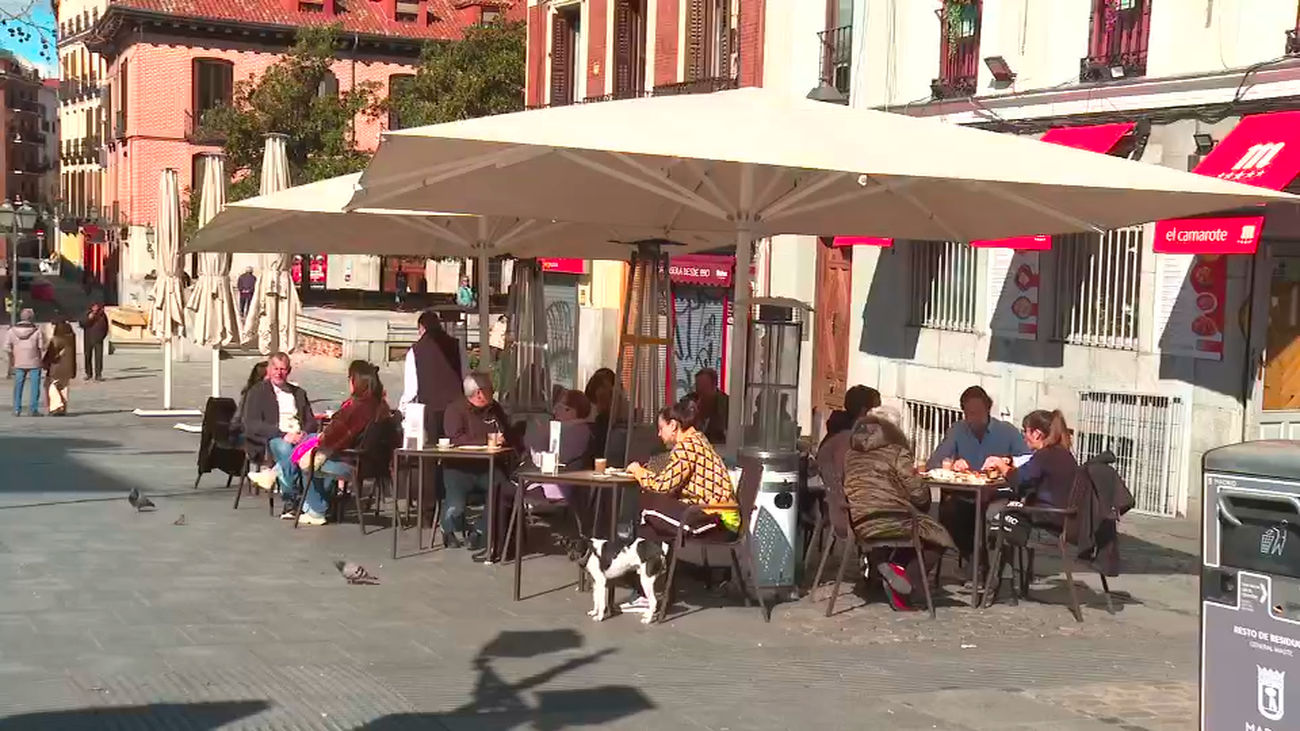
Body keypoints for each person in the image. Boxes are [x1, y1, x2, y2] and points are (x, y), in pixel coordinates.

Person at [622, 399, 737, 613]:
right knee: (650, 521)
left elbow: (663, 485)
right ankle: (651, 590)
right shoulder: (696, 439)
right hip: (710, 512)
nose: (659, 434)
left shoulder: (687, 447)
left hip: (715, 519)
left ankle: (649, 590)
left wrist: (638, 471)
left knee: (648, 509)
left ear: (673, 425)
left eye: (661, 428)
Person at [842, 406, 955, 610]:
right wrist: (923, 500)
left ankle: (890, 571)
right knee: (939, 536)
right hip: (892, 519)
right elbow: (918, 493)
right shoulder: (897, 453)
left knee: (916, 525)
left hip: (860, 522)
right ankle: (907, 581)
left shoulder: (850, 456)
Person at [289, 362, 391, 526]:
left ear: (356, 381)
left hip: (353, 463)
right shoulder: (379, 405)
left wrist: (321, 437)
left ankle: (316, 509)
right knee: (312, 445)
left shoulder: (358, 408)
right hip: (371, 462)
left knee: (307, 459)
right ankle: (320, 505)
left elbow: (332, 437)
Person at [240, 352, 319, 518]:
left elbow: (311, 421)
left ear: (288, 371)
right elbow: (252, 424)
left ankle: (313, 499)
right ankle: (292, 499)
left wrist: (304, 433)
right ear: (269, 370)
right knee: (285, 449)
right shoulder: (257, 392)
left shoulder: (298, 393)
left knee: (318, 445)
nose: (279, 373)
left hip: (299, 436)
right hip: (273, 438)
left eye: (283, 369)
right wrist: (283, 434)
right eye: (275, 368)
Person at [441, 372, 514, 550]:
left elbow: (506, 429)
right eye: (490, 389)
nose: (493, 392)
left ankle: (480, 530)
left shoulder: (494, 409)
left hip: (488, 467)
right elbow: (456, 438)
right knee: (456, 507)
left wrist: (506, 438)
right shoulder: (455, 410)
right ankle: (448, 528)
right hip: (459, 468)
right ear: (479, 393)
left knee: (501, 491)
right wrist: (487, 441)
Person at [983, 409, 1079, 512]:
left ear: (1036, 434)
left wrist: (999, 464)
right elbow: (1028, 481)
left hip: (1044, 515)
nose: (1024, 436)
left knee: (995, 512)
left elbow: (1017, 479)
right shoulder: (1065, 455)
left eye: (1025, 431)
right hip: (1063, 516)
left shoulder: (1044, 455)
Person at [399, 310, 464, 445]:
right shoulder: (457, 345)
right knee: (454, 447)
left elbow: (411, 390)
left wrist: (402, 410)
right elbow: (466, 376)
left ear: (422, 327)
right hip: (456, 409)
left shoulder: (415, 351)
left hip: (431, 411)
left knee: (433, 450)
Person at [926, 386, 1028, 470]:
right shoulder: (957, 430)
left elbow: (1028, 461)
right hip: (965, 487)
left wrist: (1006, 463)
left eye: (978, 412)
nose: (974, 418)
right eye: (969, 413)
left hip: (999, 488)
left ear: (988, 409)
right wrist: (952, 465)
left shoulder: (1007, 431)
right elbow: (933, 463)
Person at [6, 308, 45, 417]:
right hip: (34, 361)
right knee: (35, 386)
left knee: (18, 386)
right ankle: (33, 409)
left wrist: (12, 357)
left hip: (18, 361)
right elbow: (41, 347)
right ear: (31, 318)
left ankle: (16, 409)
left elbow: (7, 347)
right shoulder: (37, 331)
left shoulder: (12, 331)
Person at [42, 316, 76, 416]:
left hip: (56, 367)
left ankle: (56, 406)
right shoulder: (71, 339)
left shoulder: (56, 340)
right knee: (64, 386)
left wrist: (45, 363)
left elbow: (51, 354)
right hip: (69, 367)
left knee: (51, 386)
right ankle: (63, 407)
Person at [685, 368, 729, 445]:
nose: (700, 389)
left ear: (714, 386)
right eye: (697, 386)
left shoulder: (726, 404)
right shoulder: (690, 401)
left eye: (704, 386)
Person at [79, 302, 108, 382]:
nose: (95, 308)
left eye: (97, 306)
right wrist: (89, 318)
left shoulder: (102, 315)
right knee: (87, 356)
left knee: (98, 357)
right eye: (94, 306)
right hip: (88, 338)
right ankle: (88, 373)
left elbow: (106, 326)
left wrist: (102, 336)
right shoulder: (87, 314)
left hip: (98, 339)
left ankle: (98, 374)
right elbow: (82, 324)